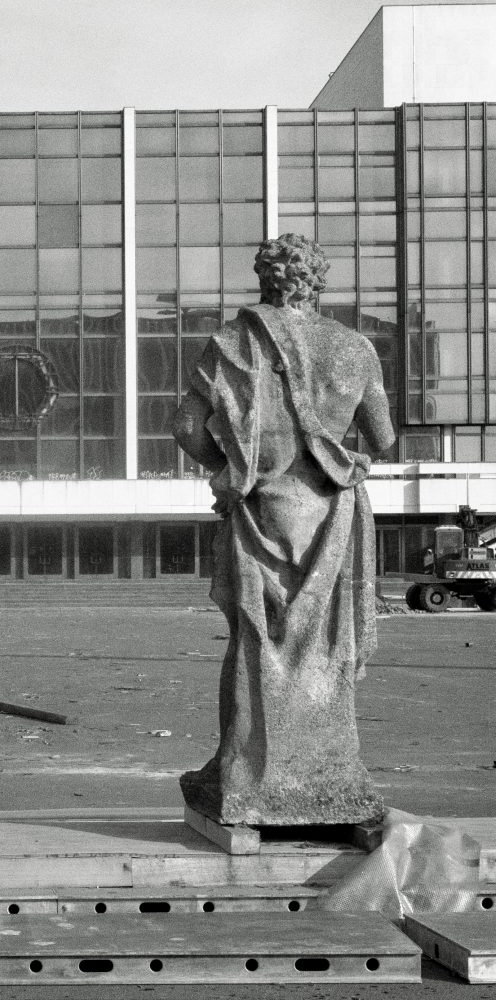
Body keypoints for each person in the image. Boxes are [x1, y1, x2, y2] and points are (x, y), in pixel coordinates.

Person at [172, 234, 395, 825]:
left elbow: (186, 427)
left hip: (258, 509)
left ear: (265, 279)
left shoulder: (232, 343)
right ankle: (328, 778)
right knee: (325, 648)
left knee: (253, 642)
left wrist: (231, 467)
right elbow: (382, 436)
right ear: (316, 282)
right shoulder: (353, 348)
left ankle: (243, 775)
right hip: (328, 512)